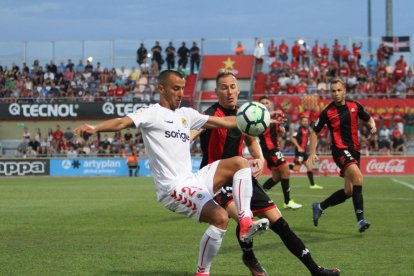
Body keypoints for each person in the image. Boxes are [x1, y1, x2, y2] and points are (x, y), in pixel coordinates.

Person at [74, 70, 269, 276]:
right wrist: (95, 128)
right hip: (172, 188)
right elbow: (122, 122)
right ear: (161, 88)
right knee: (220, 218)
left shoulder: (187, 114)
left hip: (193, 179)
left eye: (183, 88)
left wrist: (264, 119)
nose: (181, 93)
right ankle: (202, 272)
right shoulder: (151, 113)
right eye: (176, 88)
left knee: (240, 162)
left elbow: (227, 122)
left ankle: (246, 221)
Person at [191, 71, 340, 276]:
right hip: (215, 179)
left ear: (238, 89)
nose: (229, 92)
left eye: (232, 87)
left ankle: (315, 270)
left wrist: (259, 157)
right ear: (216, 91)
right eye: (223, 87)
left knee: (280, 223)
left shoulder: (245, 114)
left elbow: (252, 140)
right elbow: (192, 132)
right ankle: (249, 255)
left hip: (241, 176)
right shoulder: (208, 115)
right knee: (245, 219)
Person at [307, 78, 377, 233]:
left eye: (339, 90)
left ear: (344, 90)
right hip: (339, 150)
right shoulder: (327, 112)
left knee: (349, 192)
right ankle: (361, 220)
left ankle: (319, 206)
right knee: (358, 178)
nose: (336, 94)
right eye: (333, 91)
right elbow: (314, 131)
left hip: (355, 151)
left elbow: (368, 118)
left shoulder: (355, 106)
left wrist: (373, 124)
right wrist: (312, 152)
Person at [258, 97, 302, 209]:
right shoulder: (258, 117)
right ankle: (287, 201)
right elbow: (264, 124)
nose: (264, 104)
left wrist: (280, 129)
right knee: (286, 171)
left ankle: (258, 196)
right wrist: (274, 118)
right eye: (262, 103)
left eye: (266, 103)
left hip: (273, 149)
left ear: (269, 105)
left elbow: (276, 129)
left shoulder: (272, 118)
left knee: (276, 177)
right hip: (270, 149)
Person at [289, 115, 323, 189]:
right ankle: (285, 167)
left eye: (306, 121)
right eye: (304, 121)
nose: (305, 122)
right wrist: (298, 147)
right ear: (301, 122)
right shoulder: (299, 129)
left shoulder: (307, 129)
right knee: (296, 169)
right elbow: (292, 138)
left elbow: (313, 133)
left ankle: (312, 185)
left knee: (310, 168)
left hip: (304, 153)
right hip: (300, 152)